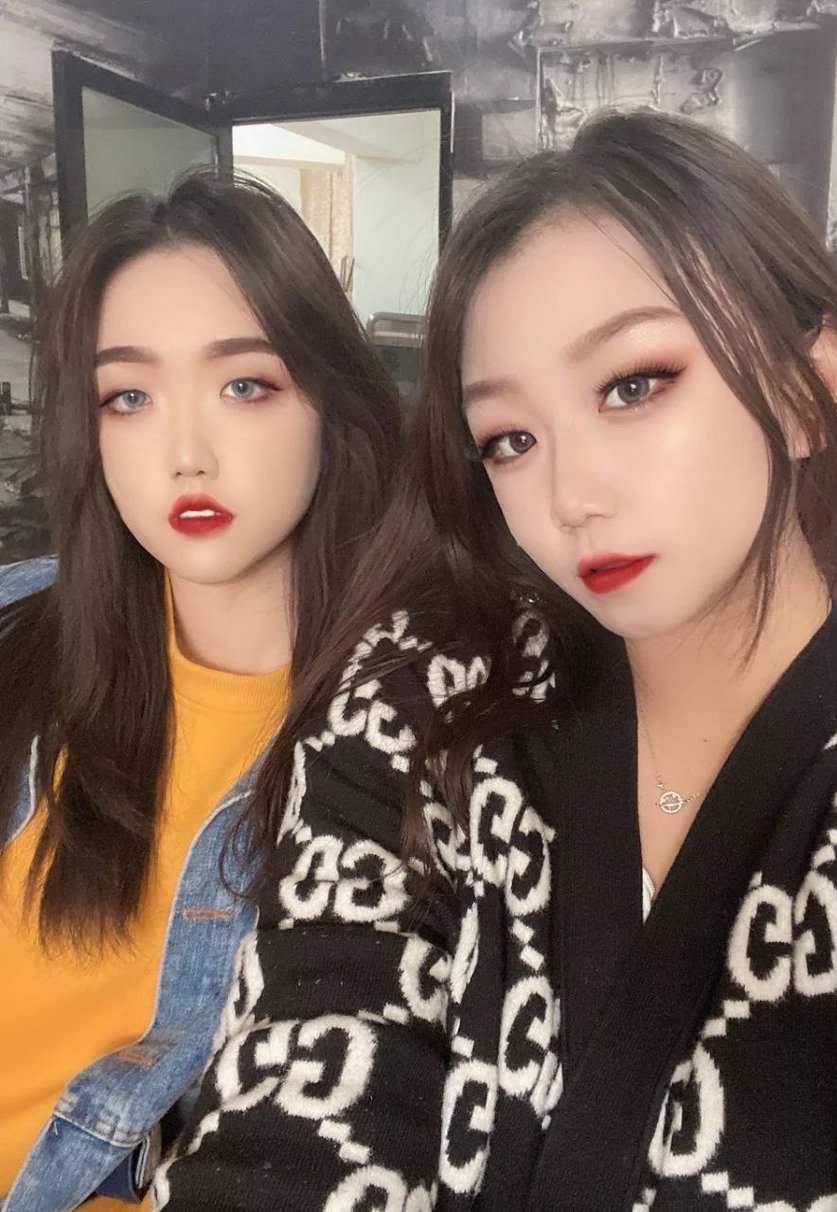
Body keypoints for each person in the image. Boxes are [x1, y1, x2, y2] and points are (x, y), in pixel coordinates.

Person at [157, 111, 837, 1210]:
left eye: (633, 385)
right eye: (510, 440)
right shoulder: (425, 709)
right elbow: (299, 1100)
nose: (569, 495)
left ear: (807, 387)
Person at [0, 170, 401, 1211]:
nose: (185, 456)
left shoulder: (408, 740)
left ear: (331, 403)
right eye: (128, 397)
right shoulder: (18, 628)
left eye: (245, 386)